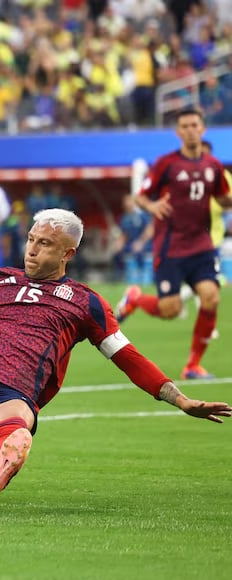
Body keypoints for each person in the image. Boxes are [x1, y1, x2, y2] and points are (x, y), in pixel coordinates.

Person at [0, 208, 231, 500]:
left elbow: (126, 355)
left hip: (9, 393)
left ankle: (5, 457)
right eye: (31, 239)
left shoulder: (86, 302)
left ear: (68, 252)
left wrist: (178, 398)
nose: (32, 249)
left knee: (10, 426)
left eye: (44, 244)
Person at [115, 107, 232, 380]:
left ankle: (193, 366)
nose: (191, 130)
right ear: (178, 131)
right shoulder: (166, 164)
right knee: (171, 310)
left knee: (211, 297)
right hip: (171, 247)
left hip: (201, 245)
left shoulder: (213, 166)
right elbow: (141, 197)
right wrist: (153, 205)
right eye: (185, 126)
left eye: (195, 125)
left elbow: (224, 198)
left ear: (203, 129)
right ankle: (135, 300)